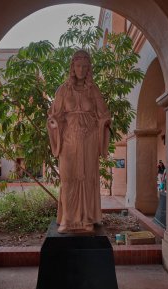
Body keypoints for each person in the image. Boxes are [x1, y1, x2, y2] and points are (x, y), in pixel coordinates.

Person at [47, 50, 111, 233]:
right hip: (68, 139)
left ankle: (86, 219)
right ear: (72, 68)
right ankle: (68, 218)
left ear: (89, 68)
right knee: (68, 178)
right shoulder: (63, 89)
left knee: (87, 178)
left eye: (85, 66)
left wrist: (104, 122)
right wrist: (53, 123)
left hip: (89, 139)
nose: (81, 69)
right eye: (78, 66)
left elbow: (104, 113)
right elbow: (54, 115)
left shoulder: (94, 90)